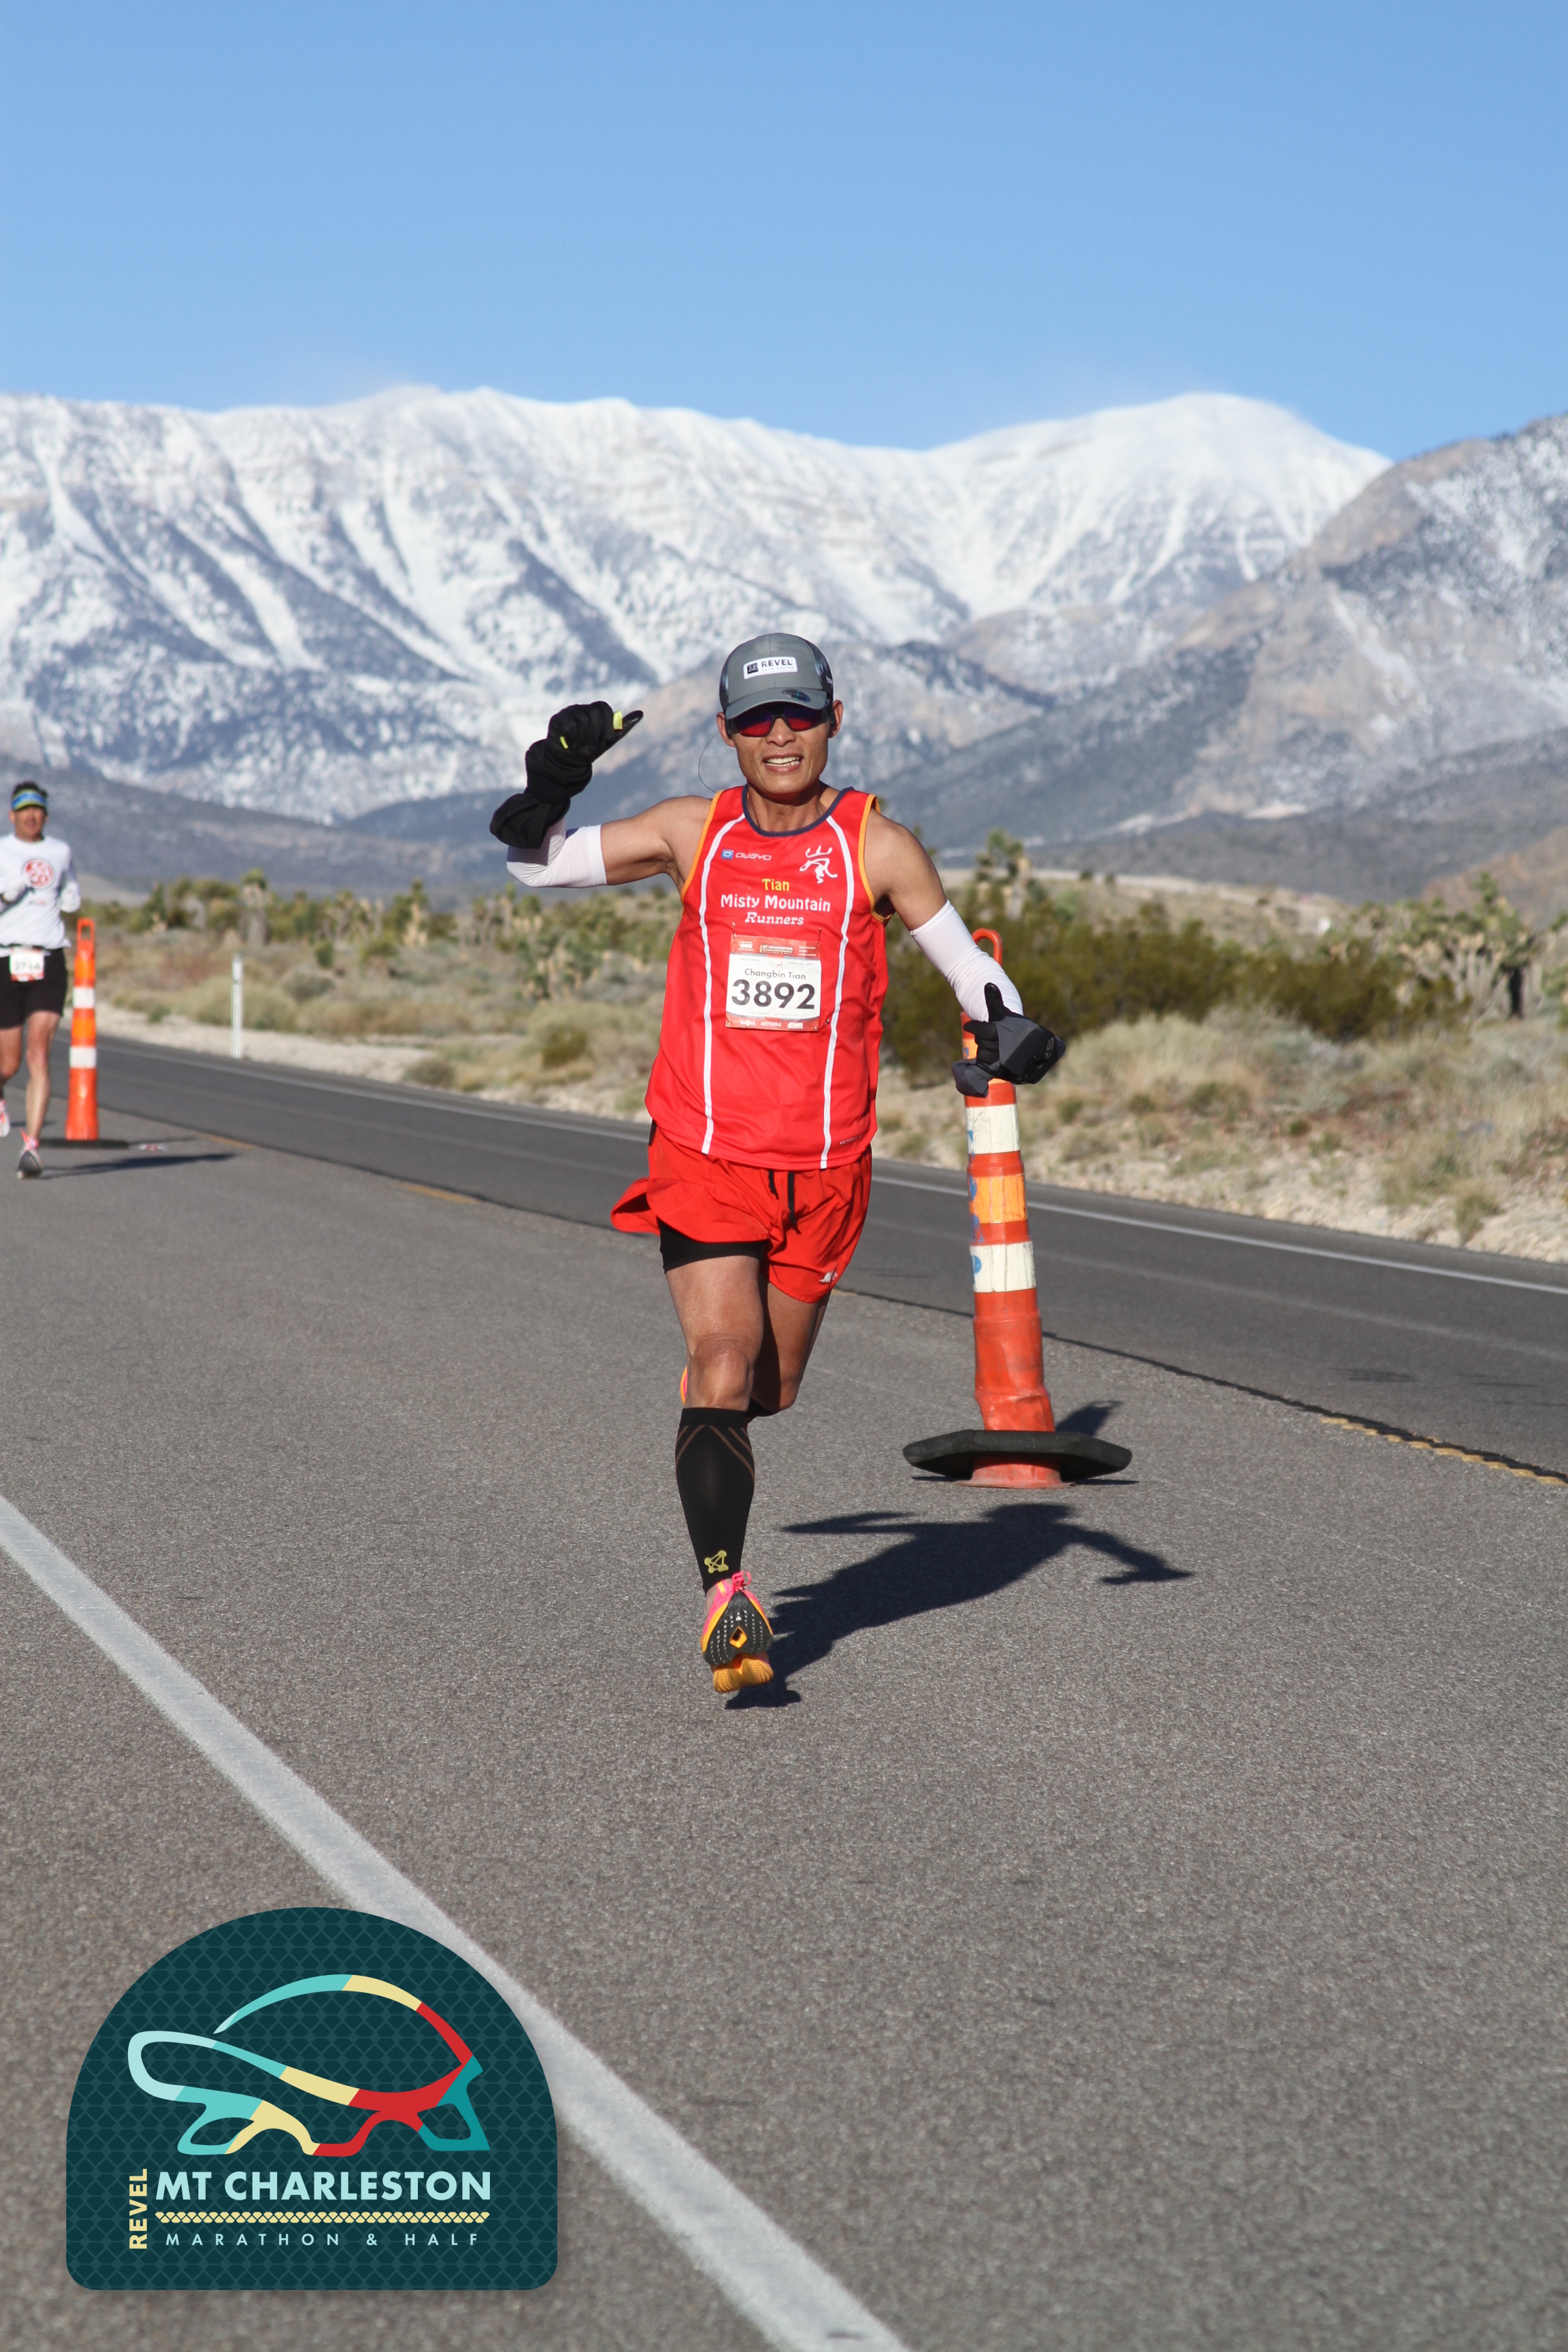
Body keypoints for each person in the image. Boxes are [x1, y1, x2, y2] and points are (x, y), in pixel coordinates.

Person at [491, 634, 1062, 1694]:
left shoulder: (877, 846)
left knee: (768, 1387)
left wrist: (1012, 1029)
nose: (781, 735)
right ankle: (728, 1595)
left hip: (826, 1169)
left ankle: (714, 1423)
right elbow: (537, 863)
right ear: (728, 734)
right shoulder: (691, 831)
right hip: (704, 1153)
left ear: (833, 720)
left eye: (799, 714)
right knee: (721, 1355)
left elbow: (968, 969)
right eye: (758, 720)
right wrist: (554, 778)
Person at [0, 781, 81, 1177]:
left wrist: (72, 896)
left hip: (48, 959)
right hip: (7, 958)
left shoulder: (61, 852)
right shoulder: (2, 850)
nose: (31, 816)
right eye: (24, 809)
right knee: (9, 1062)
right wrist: (4, 898)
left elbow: (70, 889)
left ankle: (31, 1147)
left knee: (39, 1055)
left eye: (37, 809)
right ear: (12, 815)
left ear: (45, 816)